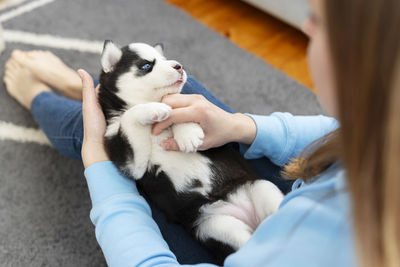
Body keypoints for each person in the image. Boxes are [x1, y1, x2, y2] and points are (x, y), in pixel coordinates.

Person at [3, 0, 399, 266]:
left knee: (93, 131)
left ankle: (44, 94)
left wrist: (100, 163)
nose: (307, 25)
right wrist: (242, 127)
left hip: (211, 220)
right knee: (182, 93)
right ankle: (102, 91)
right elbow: (341, 133)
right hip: (271, 196)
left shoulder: (316, 244)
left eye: (322, 22)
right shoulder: (383, 134)